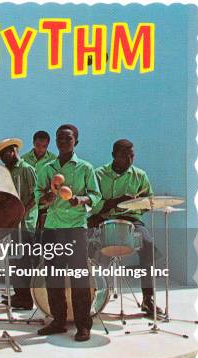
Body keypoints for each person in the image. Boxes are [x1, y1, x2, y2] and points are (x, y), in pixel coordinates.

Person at [36, 124, 101, 342]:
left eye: (68, 139)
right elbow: (38, 196)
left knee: (79, 278)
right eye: (60, 139)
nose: (63, 143)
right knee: (53, 276)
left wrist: (80, 199)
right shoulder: (47, 168)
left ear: (76, 142)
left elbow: (95, 195)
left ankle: (83, 325)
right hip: (53, 227)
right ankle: (58, 321)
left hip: (75, 228)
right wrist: (48, 196)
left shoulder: (85, 168)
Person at [89, 139, 162, 317]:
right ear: (114, 155)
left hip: (131, 220)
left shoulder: (140, 175)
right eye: (124, 156)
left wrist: (135, 204)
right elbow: (93, 205)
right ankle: (89, 297)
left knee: (148, 245)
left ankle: (148, 299)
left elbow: (149, 202)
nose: (129, 160)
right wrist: (116, 202)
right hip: (103, 219)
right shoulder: (98, 174)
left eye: (132, 156)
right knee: (86, 248)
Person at [0, 138, 37, 310]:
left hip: (25, 223)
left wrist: (22, 210)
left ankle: (27, 298)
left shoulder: (27, 169)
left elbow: (36, 195)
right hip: (12, 222)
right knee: (13, 260)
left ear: (13, 151)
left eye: (5, 155)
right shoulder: (5, 172)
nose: (4, 159)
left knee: (24, 261)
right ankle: (19, 294)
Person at [22, 130, 57, 230]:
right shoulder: (23, 160)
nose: (40, 149)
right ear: (33, 143)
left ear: (48, 145)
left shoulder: (54, 161)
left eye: (44, 146)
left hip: (46, 204)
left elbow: (56, 182)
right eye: (38, 145)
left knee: (45, 236)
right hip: (28, 204)